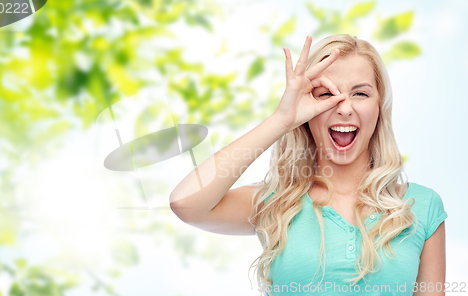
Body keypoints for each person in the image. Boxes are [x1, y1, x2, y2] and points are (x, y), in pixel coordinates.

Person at [169, 34, 447, 296]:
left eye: (360, 94)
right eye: (327, 94)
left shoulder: (420, 206)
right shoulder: (276, 202)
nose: (345, 108)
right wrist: (281, 119)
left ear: (379, 107)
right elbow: (185, 203)